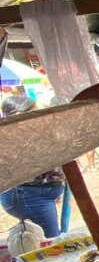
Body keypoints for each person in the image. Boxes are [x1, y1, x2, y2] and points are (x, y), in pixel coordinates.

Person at [0, 96, 65, 238]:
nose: (37, 116)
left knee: (45, 239)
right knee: (51, 242)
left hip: (37, 193)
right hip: (28, 194)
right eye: (33, 113)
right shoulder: (11, 135)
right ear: (17, 115)